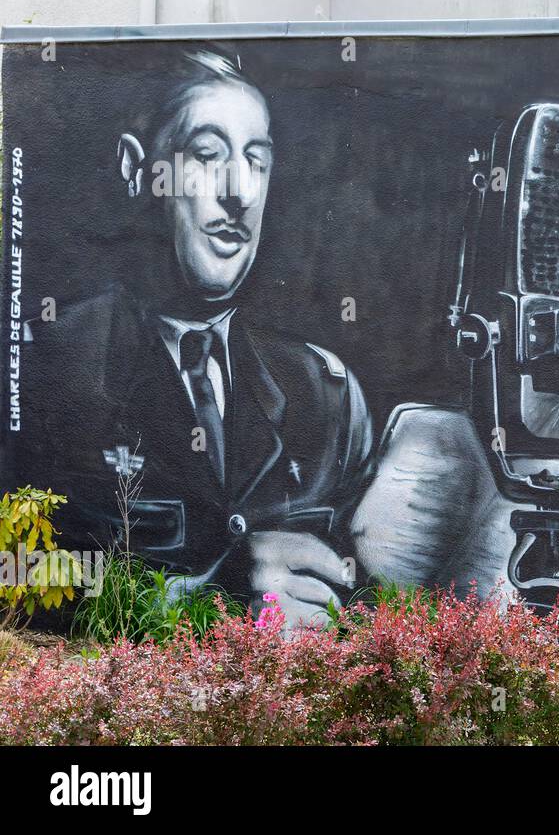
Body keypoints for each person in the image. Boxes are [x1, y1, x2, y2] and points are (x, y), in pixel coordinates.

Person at [20, 48, 374, 629]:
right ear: (138, 171)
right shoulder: (45, 370)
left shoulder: (327, 395)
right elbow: (25, 588)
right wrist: (220, 599)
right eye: (207, 155)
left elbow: (379, 606)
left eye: (257, 162)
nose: (240, 192)